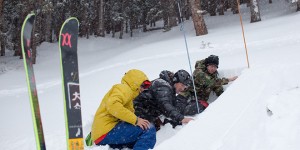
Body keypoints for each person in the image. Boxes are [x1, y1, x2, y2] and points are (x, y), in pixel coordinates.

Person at [90, 69, 156, 150]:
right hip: (107, 132)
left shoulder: (129, 96)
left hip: (104, 134)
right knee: (148, 129)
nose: (143, 89)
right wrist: (136, 120)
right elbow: (113, 105)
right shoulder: (123, 89)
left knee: (137, 140)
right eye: (143, 85)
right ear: (135, 82)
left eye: (146, 87)